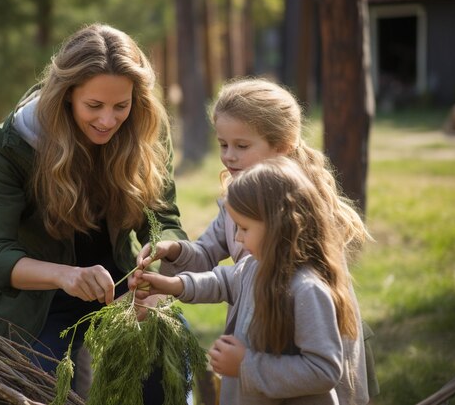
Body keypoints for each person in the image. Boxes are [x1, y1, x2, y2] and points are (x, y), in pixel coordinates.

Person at [0, 23, 187, 402]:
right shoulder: (14, 144)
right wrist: (65, 276)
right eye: (94, 106)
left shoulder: (142, 132)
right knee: (40, 388)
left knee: (167, 353)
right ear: (67, 95)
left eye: (121, 106)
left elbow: (163, 221)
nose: (108, 121)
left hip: (118, 290)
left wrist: (163, 257)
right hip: (37, 305)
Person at [132, 77, 379, 400]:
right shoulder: (237, 202)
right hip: (262, 337)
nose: (229, 156)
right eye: (223, 144)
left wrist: (249, 364)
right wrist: (174, 249)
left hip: (300, 337)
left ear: (283, 144)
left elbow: (319, 359)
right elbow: (212, 258)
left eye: (242, 146)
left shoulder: (301, 209)